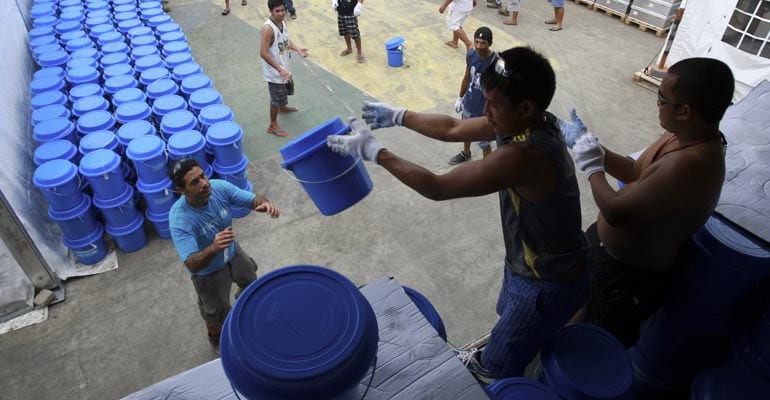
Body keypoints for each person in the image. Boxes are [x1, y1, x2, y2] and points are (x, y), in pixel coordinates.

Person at [327, 46, 588, 381]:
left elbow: (437, 187)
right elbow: (452, 128)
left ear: (525, 107)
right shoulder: (527, 121)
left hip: (545, 283)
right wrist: (399, 115)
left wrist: (376, 152)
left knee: (495, 368)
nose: (485, 110)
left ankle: (497, 373)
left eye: (493, 104)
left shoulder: (524, 156)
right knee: (513, 329)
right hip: (531, 266)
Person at [568, 58, 734, 347]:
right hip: (606, 252)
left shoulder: (692, 164)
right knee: (571, 309)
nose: (656, 102)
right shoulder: (680, 134)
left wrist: (592, 167)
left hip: (625, 277)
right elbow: (635, 171)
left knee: (591, 344)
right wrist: (592, 146)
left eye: (661, 98)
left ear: (684, 111)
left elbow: (616, 212)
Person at [168, 158, 281, 346]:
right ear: (181, 190)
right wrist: (214, 247)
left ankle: (242, 300)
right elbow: (192, 264)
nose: (204, 183)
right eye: (194, 182)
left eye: (202, 176)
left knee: (249, 277)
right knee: (216, 314)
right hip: (207, 272)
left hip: (231, 251)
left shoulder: (219, 187)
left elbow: (253, 199)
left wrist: (264, 204)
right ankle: (217, 339)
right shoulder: (180, 220)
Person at [260, 0, 309, 137]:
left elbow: (286, 40)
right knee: (275, 98)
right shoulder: (268, 29)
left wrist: (298, 49)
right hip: (275, 72)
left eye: (283, 10)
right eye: (277, 11)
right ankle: (272, 124)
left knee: (285, 91)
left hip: (285, 67)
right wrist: (279, 69)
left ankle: (283, 107)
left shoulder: (283, 23)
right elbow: (263, 53)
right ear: (271, 11)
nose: (281, 13)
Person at [449, 27, 496, 165]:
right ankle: (466, 152)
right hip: (469, 102)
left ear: (490, 44)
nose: (479, 46)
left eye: (483, 43)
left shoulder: (496, 62)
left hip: (485, 110)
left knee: (485, 143)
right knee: (465, 130)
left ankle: (488, 168)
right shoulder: (470, 55)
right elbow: (467, 76)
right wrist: (460, 98)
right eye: (477, 42)